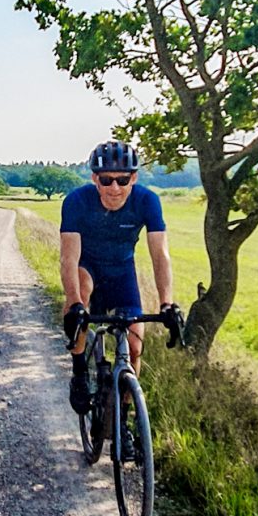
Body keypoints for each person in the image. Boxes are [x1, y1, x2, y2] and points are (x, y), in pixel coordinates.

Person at [60, 140, 182, 419]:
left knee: (136, 347)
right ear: (95, 179)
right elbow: (68, 258)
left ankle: (124, 420)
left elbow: (160, 255)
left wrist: (166, 304)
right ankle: (80, 371)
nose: (114, 188)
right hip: (87, 267)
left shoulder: (147, 201)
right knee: (80, 293)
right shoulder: (77, 202)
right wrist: (75, 303)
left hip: (122, 272)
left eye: (123, 180)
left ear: (134, 178)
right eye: (106, 180)